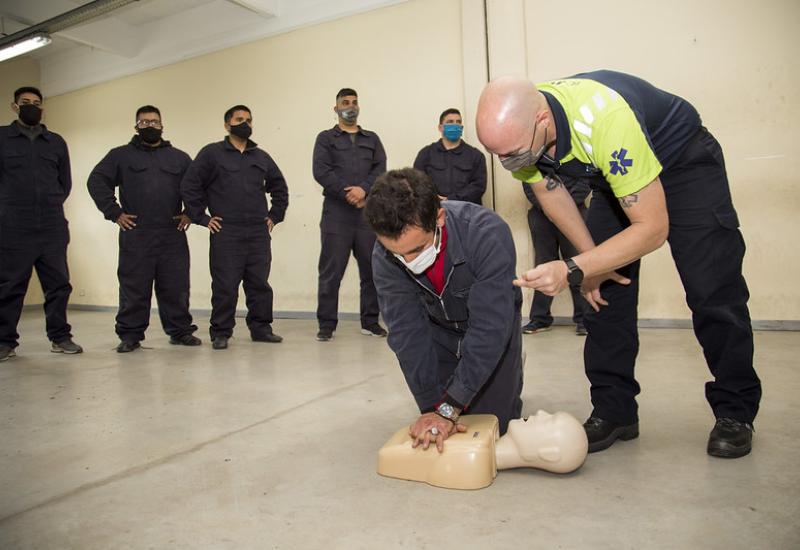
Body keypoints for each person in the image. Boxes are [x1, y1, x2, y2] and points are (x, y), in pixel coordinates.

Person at [476, 71, 761, 458]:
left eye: (514, 153)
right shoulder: (521, 135)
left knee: (712, 289)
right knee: (604, 295)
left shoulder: (604, 120)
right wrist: (591, 265)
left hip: (682, 163)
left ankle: (735, 411)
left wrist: (573, 268)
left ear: (542, 119)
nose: (509, 162)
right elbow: (550, 191)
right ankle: (615, 410)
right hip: (613, 181)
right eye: (499, 155)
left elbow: (653, 228)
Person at [365, 168, 523, 452]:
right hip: (438, 330)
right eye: (397, 253)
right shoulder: (383, 256)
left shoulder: (486, 233)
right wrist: (433, 408)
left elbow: (489, 328)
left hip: (492, 325)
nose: (408, 261)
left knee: (495, 425)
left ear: (439, 217)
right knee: (448, 421)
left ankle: (511, 364)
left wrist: (450, 408)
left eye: (417, 249)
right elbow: (407, 334)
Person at [87, 105, 200, 353]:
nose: (150, 126)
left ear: (162, 125)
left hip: (172, 232)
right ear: (136, 126)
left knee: (176, 286)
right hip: (137, 232)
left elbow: (197, 186)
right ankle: (130, 335)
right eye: (145, 122)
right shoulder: (120, 156)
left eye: (155, 122)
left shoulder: (179, 158)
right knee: (134, 287)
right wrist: (114, 213)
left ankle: (180, 331)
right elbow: (96, 180)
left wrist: (190, 212)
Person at [181, 105, 288, 350]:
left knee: (259, 284)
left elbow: (279, 187)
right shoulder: (212, 154)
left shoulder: (261, 157)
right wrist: (202, 218)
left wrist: (275, 215)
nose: (245, 123)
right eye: (239, 119)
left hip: (258, 232)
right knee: (225, 285)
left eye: (249, 120)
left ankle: (261, 329)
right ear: (227, 125)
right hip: (226, 232)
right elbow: (190, 185)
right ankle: (221, 332)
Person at [0, 86, 82, 362]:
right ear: (15, 106)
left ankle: (60, 337)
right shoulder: (2, 138)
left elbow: (65, 183)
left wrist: (50, 203)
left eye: (36, 103)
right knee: (11, 286)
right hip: (13, 225)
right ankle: (4, 341)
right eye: (25, 102)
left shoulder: (55, 142)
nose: (32, 106)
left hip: (51, 224)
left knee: (58, 284)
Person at [312, 88, 388, 341]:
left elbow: (380, 169)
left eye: (354, 102)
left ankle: (370, 321)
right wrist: (349, 194)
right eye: (345, 102)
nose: (350, 106)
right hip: (337, 215)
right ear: (335, 109)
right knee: (331, 272)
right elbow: (321, 171)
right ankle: (326, 325)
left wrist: (364, 190)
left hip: (367, 215)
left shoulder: (372, 139)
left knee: (372, 270)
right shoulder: (325, 138)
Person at [521, 175, 590, 335]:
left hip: (574, 213)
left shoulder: (579, 152)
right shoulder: (536, 153)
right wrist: (548, 207)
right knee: (542, 265)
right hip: (541, 215)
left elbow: (585, 182)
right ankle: (540, 319)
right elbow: (528, 184)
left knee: (577, 265)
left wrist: (562, 208)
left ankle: (584, 320)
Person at [413, 108, 487, 205]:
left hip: (466, 212)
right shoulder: (426, 154)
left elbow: (478, 186)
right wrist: (435, 199)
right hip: (434, 211)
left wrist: (451, 199)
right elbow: (416, 183)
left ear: (462, 127)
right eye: (450, 122)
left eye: (458, 122)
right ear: (440, 127)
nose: (455, 125)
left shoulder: (476, 156)